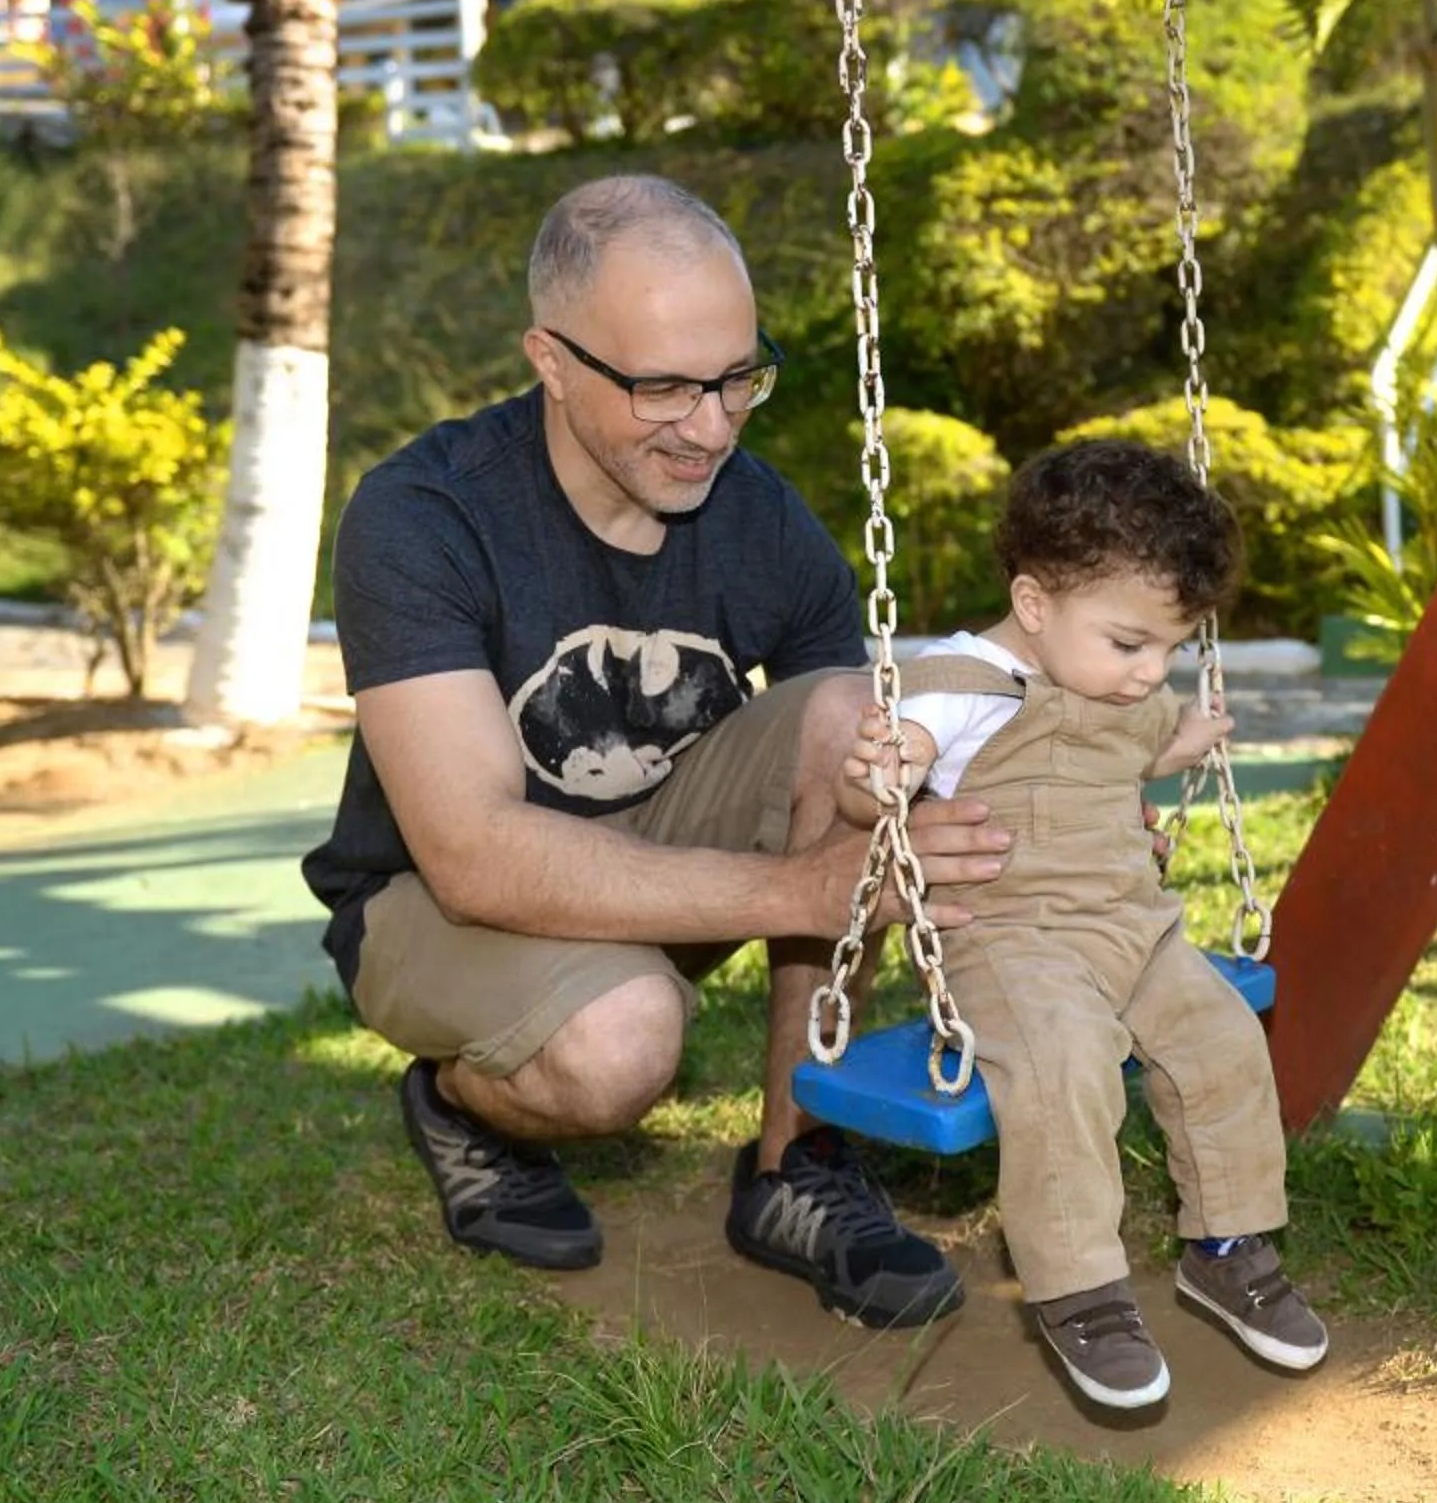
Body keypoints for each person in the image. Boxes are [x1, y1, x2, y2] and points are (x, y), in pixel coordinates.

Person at [302, 174, 1015, 1330]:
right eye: (666, 386)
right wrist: (796, 888)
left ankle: (799, 1163)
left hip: (656, 862)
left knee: (853, 722)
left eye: (740, 376)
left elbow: (870, 777)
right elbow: (475, 852)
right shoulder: (422, 514)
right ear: (551, 359)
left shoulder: (763, 517)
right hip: (431, 898)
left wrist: (1046, 818)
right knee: (623, 1044)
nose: (714, 424)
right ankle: (461, 1100)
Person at [838, 439, 1327, 1409]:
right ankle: (1081, 1291)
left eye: (1171, 648)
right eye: (1129, 644)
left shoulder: (1112, 677)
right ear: (1033, 603)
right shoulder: (963, 678)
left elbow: (1120, 753)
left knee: (1227, 1038)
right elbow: (899, 763)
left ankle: (1227, 1245)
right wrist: (888, 767)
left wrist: (1182, 744)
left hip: (1132, 927)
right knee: (1064, 1067)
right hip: (1011, 943)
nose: (1151, 673)